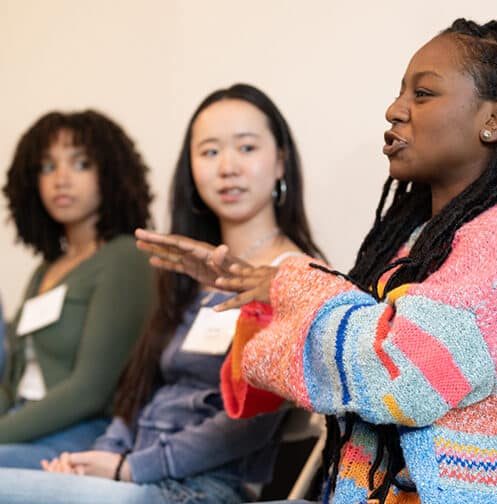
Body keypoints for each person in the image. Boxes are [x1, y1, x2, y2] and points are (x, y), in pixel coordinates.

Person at [134, 19, 497, 504]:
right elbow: (325, 363)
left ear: (494, 120)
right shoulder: (411, 243)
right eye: (400, 93)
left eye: (424, 94)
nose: (395, 110)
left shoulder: (496, 242)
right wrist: (256, 292)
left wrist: (285, 284)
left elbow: (397, 374)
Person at [0, 84, 324, 503]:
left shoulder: (297, 275)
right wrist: (103, 456)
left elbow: (248, 424)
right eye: (209, 152)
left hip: (199, 487)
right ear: (190, 170)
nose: (227, 167)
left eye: (246, 148)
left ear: (281, 162)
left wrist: (129, 468)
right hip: (133, 474)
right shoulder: (186, 276)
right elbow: (137, 393)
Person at [0, 110, 156, 467]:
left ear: (111, 174)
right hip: (22, 425)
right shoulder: (45, 270)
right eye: (47, 167)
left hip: (79, 436)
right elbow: (13, 382)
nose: (61, 179)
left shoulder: (125, 258)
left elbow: (90, 391)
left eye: (81, 164)